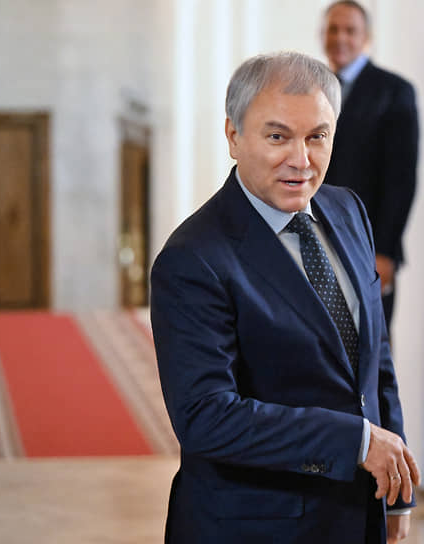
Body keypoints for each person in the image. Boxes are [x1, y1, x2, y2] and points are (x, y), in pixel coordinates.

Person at [150, 52, 420, 544]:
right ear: (233, 136)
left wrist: (397, 490)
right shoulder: (192, 258)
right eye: (278, 137)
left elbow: (375, 359)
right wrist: (356, 442)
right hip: (257, 525)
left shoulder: (348, 210)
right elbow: (206, 417)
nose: (301, 160)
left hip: (356, 515)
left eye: (317, 136)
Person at [322, 0, 419, 334]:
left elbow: (401, 178)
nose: (340, 38)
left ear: (367, 37)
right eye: (333, 29)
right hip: (321, 242)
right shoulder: (316, 90)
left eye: (350, 30)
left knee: (371, 345)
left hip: (369, 247)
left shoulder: (394, 91)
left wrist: (385, 251)